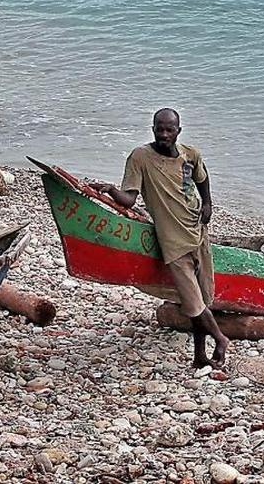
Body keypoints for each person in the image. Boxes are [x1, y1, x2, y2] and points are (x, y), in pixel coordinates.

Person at [90, 108, 229, 369]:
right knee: (193, 301)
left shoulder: (190, 154)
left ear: (178, 131)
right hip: (173, 244)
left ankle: (200, 355)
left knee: (201, 299)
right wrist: (111, 191)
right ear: (153, 129)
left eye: (169, 129)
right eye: (160, 129)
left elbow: (202, 178)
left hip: (198, 233)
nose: (164, 134)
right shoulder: (140, 158)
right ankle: (221, 339)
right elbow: (130, 199)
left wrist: (208, 203)